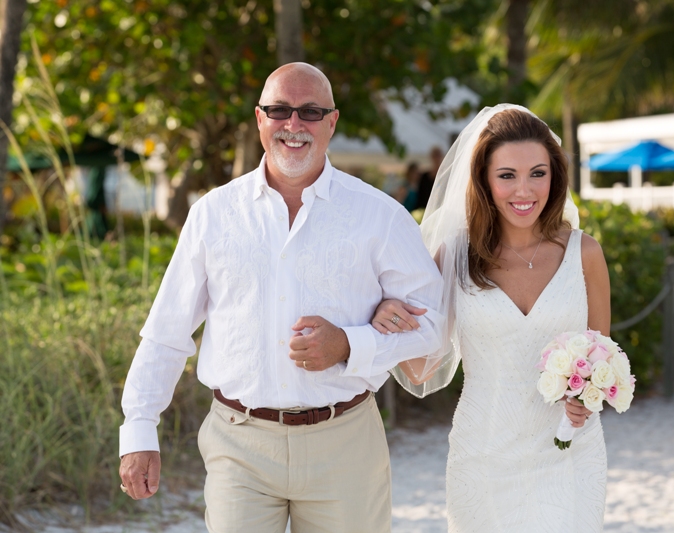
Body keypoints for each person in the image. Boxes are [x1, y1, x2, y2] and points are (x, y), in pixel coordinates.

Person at [118, 63, 445, 533]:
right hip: (239, 445)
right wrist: (139, 427)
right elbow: (168, 330)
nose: (293, 125)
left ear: (332, 122)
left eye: (310, 112)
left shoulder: (382, 216)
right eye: (279, 111)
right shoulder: (213, 214)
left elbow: (433, 324)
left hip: (346, 442)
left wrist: (351, 346)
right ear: (259, 119)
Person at [372, 105, 609, 532]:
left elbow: (599, 361)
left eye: (538, 173)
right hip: (483, 454)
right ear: (482, 179)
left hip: (569, 453)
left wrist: (586, 399)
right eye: (507, 176)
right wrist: (389, 318)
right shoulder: (454, 256)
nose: (524, 190)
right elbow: (421, 368)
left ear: (555, 176)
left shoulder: (585, 253)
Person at [414, 145, 443, 210]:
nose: (437, 158)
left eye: (438, 155)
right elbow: (420, 196)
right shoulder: (424, 177)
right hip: (425, 210)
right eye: (435, 155)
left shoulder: (446, 176)